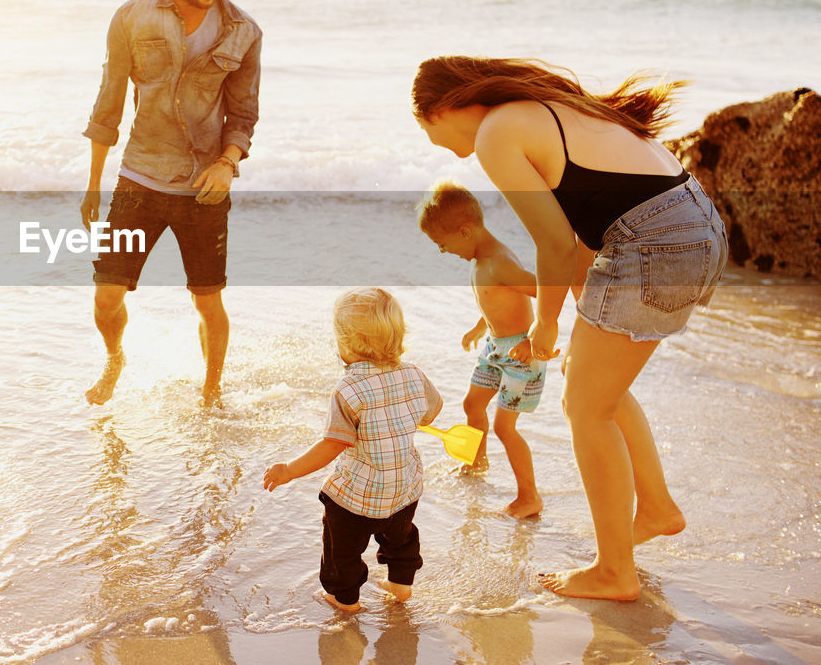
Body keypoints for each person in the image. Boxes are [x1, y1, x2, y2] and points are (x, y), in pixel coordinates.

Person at [412, 56, 728, 601]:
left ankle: (614, 573)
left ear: (443, 108)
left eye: (426, 128)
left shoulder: (496, 132)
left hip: (658, 244)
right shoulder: (546, 110)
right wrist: (579, 312)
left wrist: (546, 323)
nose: (434, 144)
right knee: (597, 389)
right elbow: (592, 222)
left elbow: (553, 243)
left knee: (586, 409)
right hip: (697, 229)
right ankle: (655, 508)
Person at [79, 0, 262, 408]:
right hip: (139, 179)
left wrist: (227, 163)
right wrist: (94, 183)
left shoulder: (243, 30)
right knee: (105, 298)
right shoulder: (133, 16)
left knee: (208, 300)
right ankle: (115, 358)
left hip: (203, 189)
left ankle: (211, 393)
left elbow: (244, 114)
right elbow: (108, 103)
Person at [263, 288, 443, 612]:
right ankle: (401, 586)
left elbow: (334, 444)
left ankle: (344, 598)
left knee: (341, 552)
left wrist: (289, 470)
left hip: (356, 499)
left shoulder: (348, 389)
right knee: (401, 539)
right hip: (404, 489)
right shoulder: (414, 374)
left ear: (346, 345)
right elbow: (432, 410)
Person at [416, 179, 546, 519]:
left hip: (521, 353)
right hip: (493, 348)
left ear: (464, 232)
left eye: (442, 245)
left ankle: (529, 496)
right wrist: (480, 325)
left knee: (506, 427)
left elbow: (546, 292)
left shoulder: (500, 262)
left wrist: (535, 337)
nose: (444, 252)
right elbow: (495, 299)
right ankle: (477, 461)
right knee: (472, 404)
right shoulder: (480, 259)